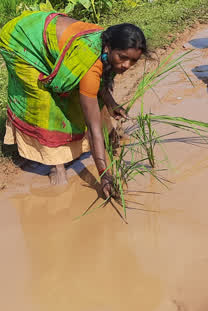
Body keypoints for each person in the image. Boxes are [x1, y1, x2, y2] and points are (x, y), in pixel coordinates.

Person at [0, 12, 146, 193]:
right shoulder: (89, 62)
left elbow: (101, 78)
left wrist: (110, 102)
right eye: (123, 57)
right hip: (21, 40)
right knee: (44, 100)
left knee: (83, 93)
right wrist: (105, 175)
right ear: (108, 47)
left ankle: (105, 135)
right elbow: (93, 129)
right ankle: (56, 164)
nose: (126, 65)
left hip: (44, 32)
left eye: (133, 60)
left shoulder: (107, 44)